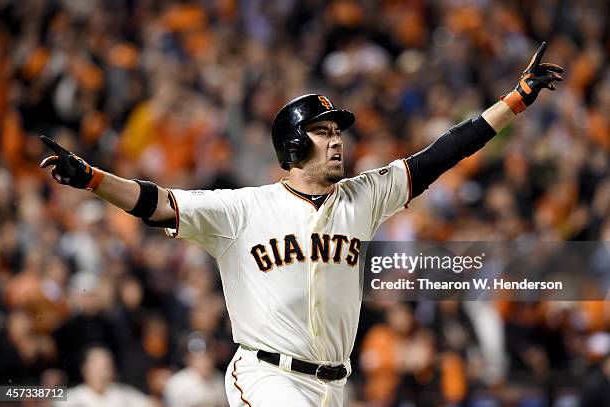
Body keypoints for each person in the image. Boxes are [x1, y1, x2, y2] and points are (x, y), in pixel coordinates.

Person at [41, 43, 563, 406]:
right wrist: (91, 179)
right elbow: (155, 201)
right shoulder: (242, 209)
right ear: (293, 145)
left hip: (334, 387)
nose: (337, 140)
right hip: (267, 375)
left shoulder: (364, 197)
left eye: (338, 130)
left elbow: (443, 153)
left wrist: (514, 101)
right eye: (321, 131)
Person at [62, 345, 152, 407]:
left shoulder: (125, 393)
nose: (101, 374)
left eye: (105, 368)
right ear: (85, 369)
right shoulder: (69, 395)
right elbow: (49, 400)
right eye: (96, 368)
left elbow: (152, 403)